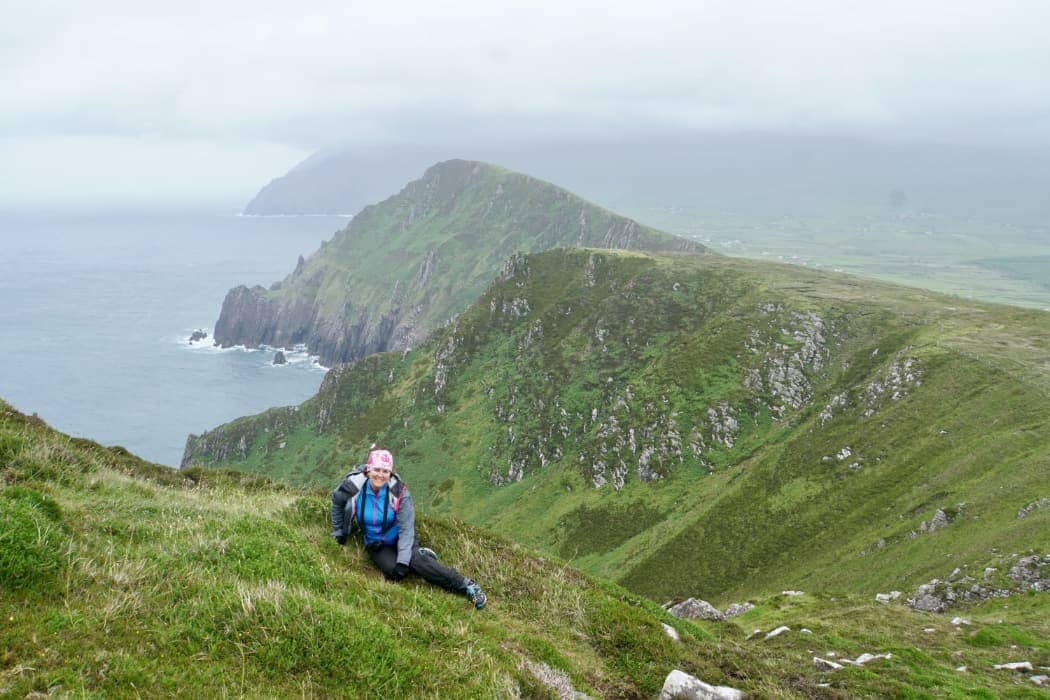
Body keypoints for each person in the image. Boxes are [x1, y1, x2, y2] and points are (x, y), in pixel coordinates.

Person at [331, 447, 487, 609]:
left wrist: (404, 559)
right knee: (395, 572)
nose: (380, 475)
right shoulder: (353, 486)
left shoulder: (399, 492)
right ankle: (421, 557)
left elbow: (406, 528)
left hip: (400, 536)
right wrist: (338, 531)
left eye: (385, 471)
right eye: (376, 469)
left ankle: (465, 585)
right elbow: (337, 502)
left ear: (390, 473)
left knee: (415, 562)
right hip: (375, 542)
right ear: (368, 470)